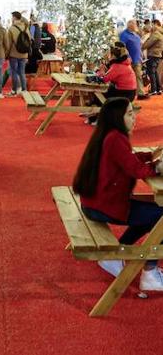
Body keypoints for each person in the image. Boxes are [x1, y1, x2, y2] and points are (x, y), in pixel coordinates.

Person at [73, 98, 163, 290]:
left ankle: (118, 251)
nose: (134, 117)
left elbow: (127, 160)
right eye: (129, 114)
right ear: (117, 117)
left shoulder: (108, 134)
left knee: (154, 214)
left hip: (95, 202)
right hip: (104, 206)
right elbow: (137, 170)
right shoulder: (115, 138)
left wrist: (150, 156)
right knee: (160, 217)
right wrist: (157, 167)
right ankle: (150, 272)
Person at [119, 19, 148, 100]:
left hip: (137, 59)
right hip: (129, 60)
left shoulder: (135, 35)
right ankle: (130, 94)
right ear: (130, 25)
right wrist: (128, 57)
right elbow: (122, 47)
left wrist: (141, 56)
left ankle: (140, 93)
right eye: (135, 24)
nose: (136, 25)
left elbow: (139, 46)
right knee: (129, 78)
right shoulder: (124, 34)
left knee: (138, 76)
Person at [5, 11, 30, 96]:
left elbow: (8, 43)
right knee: (22, 72)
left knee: (14, 72)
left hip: (14, 54)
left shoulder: (11, 29)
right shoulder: (25, 27)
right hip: (24, 54)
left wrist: (7, 54)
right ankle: (24, 90)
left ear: (14, 18)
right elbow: (29, 40)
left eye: (12, 17)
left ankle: (14, 90)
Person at [142, 19, 163, 96]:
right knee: (155, 72)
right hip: (157, 55)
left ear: (156, 25)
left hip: (153, 55)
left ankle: (153, 89)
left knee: (151, 72)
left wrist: (142, 46)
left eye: (152, 24)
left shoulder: (156, 34)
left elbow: (148, 44)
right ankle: (158, 89)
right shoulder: (159, 33)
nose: (151, 26)